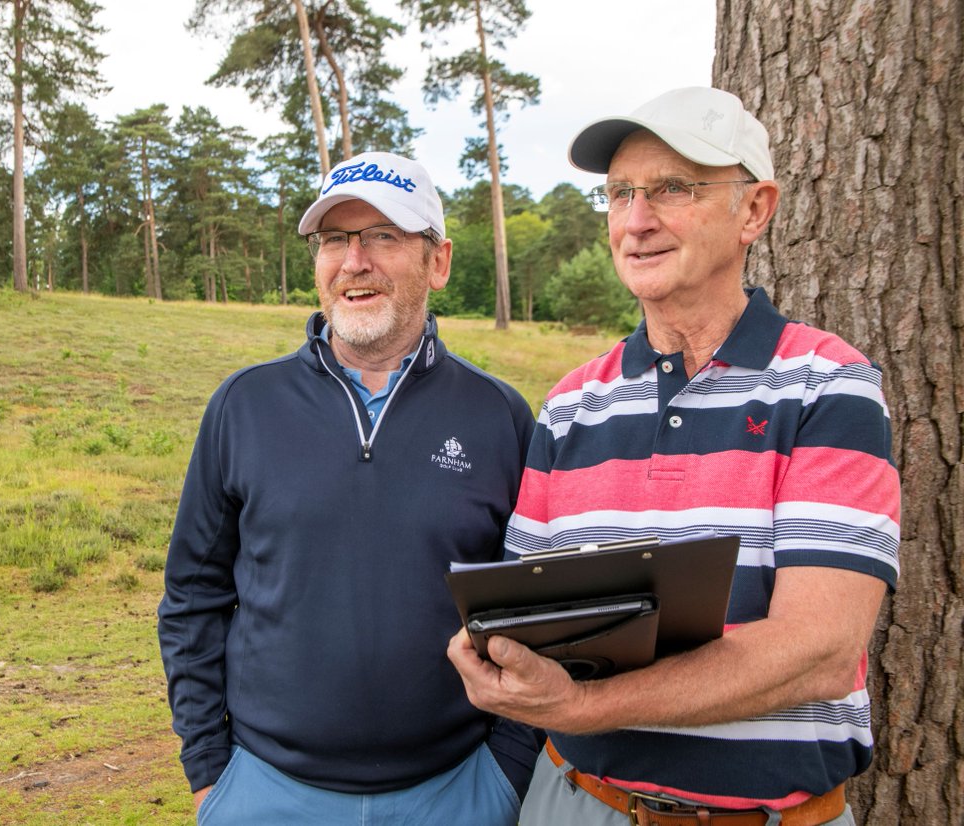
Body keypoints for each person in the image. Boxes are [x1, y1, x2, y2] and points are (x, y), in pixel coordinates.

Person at [447, 87, 900, 826]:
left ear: (754, 210)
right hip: (575, 804)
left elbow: (819, 650)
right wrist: (496, 657)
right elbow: (524, 615)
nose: (636, 220)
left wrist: (584, 703)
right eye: (620, 193)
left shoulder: (830, 387)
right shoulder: (570, 405)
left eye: (672, 189)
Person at [158, 150, 540, 825]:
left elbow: (534, 608)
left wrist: (507, 772)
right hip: (264, 791)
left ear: (439, 261)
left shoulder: (499, 415)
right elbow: (194, 595)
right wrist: (210, 771)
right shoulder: (245, 405)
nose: (354, 261)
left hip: (457, 790)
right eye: (335, 238)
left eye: (383, 236)